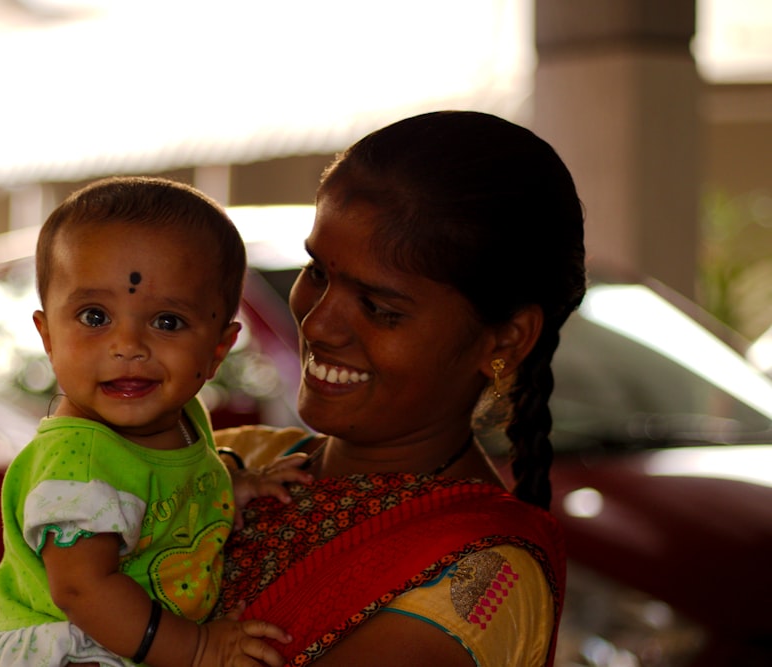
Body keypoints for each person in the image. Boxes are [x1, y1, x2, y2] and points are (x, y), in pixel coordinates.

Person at [213, 111, 586, 667]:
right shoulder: (245, 459)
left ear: (505, 337)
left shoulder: (477, 575)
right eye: (316, 270)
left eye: (380, 308)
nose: (317, 324)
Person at [0, 176, 310, 667]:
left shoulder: (182, 419)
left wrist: (231, 485)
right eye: (95, 317)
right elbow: (82, 588)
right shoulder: (80, 464)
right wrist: (199, 648)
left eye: (167, 322)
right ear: (47, 336)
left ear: (218, 349)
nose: (128, 346)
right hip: (77, 648)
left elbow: (170, 490)